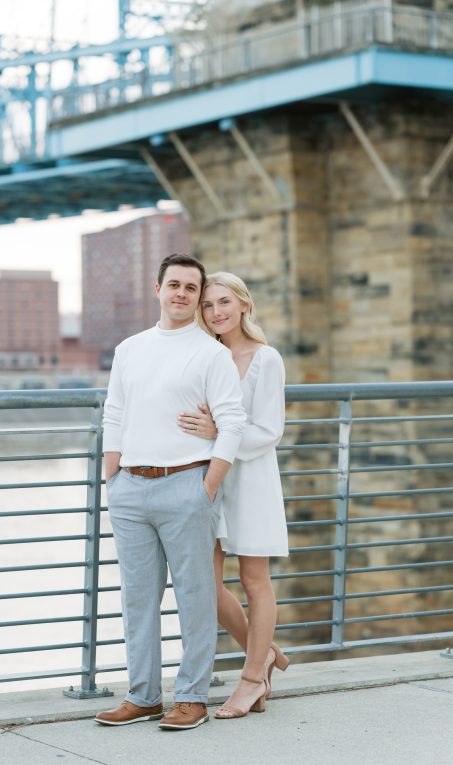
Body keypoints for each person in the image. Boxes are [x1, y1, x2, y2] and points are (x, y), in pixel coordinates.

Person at [96, 254, 246, 731]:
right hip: (130, 489)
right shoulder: (129, 349)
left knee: (195, 596)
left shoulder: (211, 353)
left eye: (190, 289)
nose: (181, 294)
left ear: (197, 299)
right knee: (137, 598)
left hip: (187, 484)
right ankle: (142, 696)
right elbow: (114, 412)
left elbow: (233, 422)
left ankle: (192, 697)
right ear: (157, 288)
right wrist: (112, 476)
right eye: (174, 285)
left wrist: (208, 485)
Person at [180, 271, 290, 719]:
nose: (215, 312)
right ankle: (261, 655)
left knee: (254, 581)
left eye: (224, 302)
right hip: (208, 478)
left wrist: (220, 431)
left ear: (244, 304)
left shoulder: (267, 359)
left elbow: (268, 430)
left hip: (251, 478)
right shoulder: (204, 355)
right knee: (203, 582)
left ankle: (250, 682)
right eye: (207, 306)